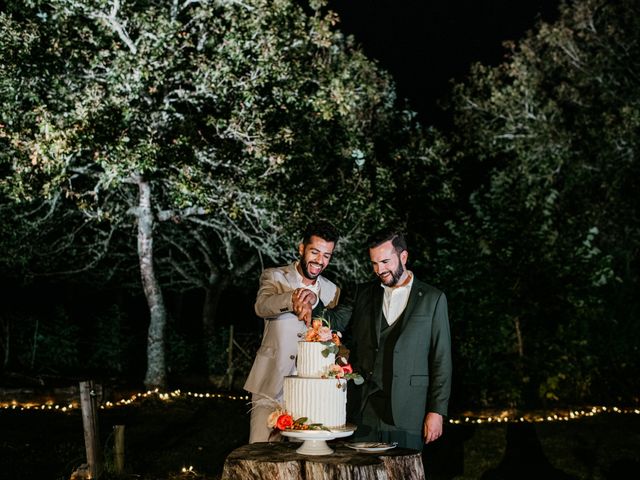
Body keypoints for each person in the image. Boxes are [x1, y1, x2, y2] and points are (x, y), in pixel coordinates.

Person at [330, 228, 452, 450]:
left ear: (403, 256)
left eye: (385, 262)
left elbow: (441, 359)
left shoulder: (433, 299)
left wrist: (437, 411)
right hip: (364, 408)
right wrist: (309, 299)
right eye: (374, 264)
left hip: (408, 410)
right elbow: (331, 322)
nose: (379, 270)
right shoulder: (362, 294)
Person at [243, 220, 342, 443]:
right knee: (261, 456)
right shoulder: (274, 277)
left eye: (326, 255)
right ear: (301, 249)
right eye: (315, 252)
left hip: (310, 393)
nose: (320, 261)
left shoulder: (332, 292)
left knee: (305, 460)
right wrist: (292, 299)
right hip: (270, 384)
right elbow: (262, 306)